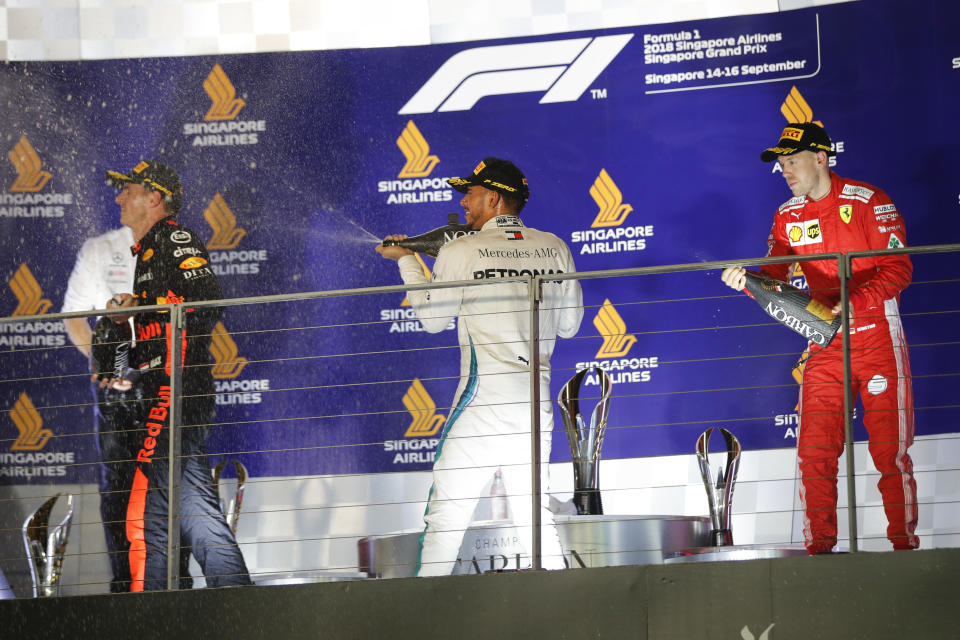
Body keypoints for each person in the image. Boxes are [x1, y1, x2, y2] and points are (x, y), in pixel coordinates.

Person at [376, 157, 584, 576]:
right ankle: (571, 617)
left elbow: (432, 320)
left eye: (469, 193)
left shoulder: (460, 250)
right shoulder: (556, 246)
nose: (464, 202)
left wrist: (407, 260)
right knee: (535, 519)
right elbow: (570, 326)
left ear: (494, 198)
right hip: (533, 409)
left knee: (446, 520)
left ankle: (421, 620)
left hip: (480, 406)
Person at [720, 123, 918, 554]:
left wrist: (855, 301)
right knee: (814, 454)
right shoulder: (788, 215)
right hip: (824, 342)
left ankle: (905, 552)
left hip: (877, 335)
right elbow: (773, 274)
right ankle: (820, 554)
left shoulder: (869, 201)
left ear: (821, 159)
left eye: (792, 161)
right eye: (782, 164)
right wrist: (745, 279)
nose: (785, 170)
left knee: (890, 454)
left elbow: (899, 268)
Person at [103, 160, 252, 590]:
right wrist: (128, 318)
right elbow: (165, 317)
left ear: (154, 197)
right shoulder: (148, 248)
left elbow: (207, 301)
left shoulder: (175, 237)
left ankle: (150, 613)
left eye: (126, 190)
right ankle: (237, 603)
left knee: (144, 510)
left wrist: (144, 308)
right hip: (166, 387)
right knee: (194, 510)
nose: (118, 198)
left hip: (178, 384)